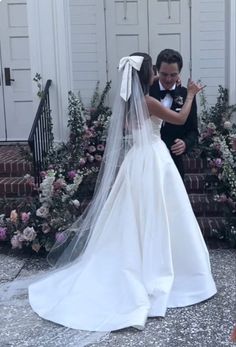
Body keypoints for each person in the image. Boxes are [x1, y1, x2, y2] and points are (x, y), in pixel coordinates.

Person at [27, 53, 216, 341]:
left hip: (136, 160)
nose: (159, 74)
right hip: (153, 158)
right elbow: (178, 117)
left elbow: (133, 128)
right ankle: (155, 266)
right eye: (154, 70)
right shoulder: (148, 101)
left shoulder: (129, 101)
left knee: (135, 213)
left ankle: (137, 257)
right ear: (148, 74)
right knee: (156, 212)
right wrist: (190, 95)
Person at [150, 49, 199, 179]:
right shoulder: (146, 91)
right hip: (148, 160)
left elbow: (193, 130)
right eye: (164, 74)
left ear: (180, 73)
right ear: (157, 71)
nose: (168, 79)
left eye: (173, 74)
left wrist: (185, 143)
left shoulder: (186, 94)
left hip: (174, 161)